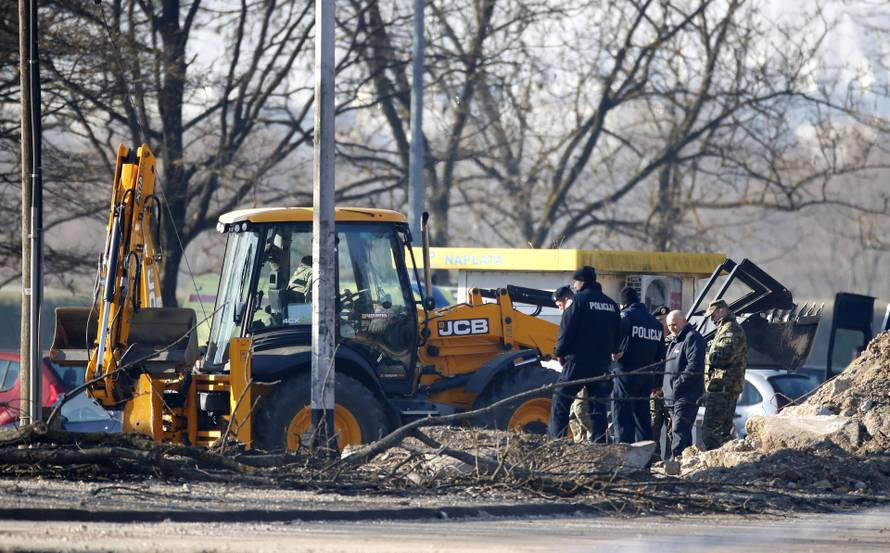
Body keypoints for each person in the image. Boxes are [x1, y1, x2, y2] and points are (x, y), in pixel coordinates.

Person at [548, 266, 620, 442]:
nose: (574, 285)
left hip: (578, 362)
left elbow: (566, 330)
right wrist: (613, 350)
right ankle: (599, 444)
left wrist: (559, 352)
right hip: (602, 363)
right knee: (598, 406)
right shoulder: (611, 304)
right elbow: (618, 333)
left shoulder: (577, 301)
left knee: (561, 398)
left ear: (581, 281)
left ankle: (557, 442)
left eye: (575, 281)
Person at [611, 287, 666, 444]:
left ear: (623, 304)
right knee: (642, 418)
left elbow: (614, 335)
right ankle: (645, 453)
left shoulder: (626, 316)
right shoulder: (655, 323)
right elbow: (661, 357)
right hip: (647, 378)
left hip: (625, 374)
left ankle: (624, 454)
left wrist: (615, 351)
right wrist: (657, 382)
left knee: (622, 416)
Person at [701, 299, 748, 450]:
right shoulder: (724, 329)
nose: (711, 319)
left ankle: (716, 459)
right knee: (721, 432)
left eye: (713, 315)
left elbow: (722, 358)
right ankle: (725, 458)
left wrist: (706, 354)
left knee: (711, 433)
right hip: (721, 387)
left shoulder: (731, 329)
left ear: (721, 311)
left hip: (724, 388)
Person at [552, 286, 593, 443]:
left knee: (579, 408)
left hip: (579, 366)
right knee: (573, 413)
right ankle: (580, 442)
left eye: (559, 305)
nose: (559, 308)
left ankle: (593, 440)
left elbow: (564, 337)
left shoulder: (573, 310)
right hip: (586, 365)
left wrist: (559, 353)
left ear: (565, 299)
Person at [662, 310, 705, 459]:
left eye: (674, 324)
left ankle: (676, 463)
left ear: (684, 321)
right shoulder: (674, 341)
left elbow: (694, 367)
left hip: (686, 395)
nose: (671, 328)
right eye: (669, 325)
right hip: (672, 397)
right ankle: (686, 462)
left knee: (679, 432)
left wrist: (676, 385)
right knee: (682, 435)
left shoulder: (692, 337)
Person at [649, 305, 672, 460]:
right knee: (653, 427)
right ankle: (654, 460)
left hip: (670, 391)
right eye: (659, 320)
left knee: (671, 427)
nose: (662, 323)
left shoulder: (677, 339)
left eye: (664, 320)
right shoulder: (652, 339)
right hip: (654, 391)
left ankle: (671, 460)